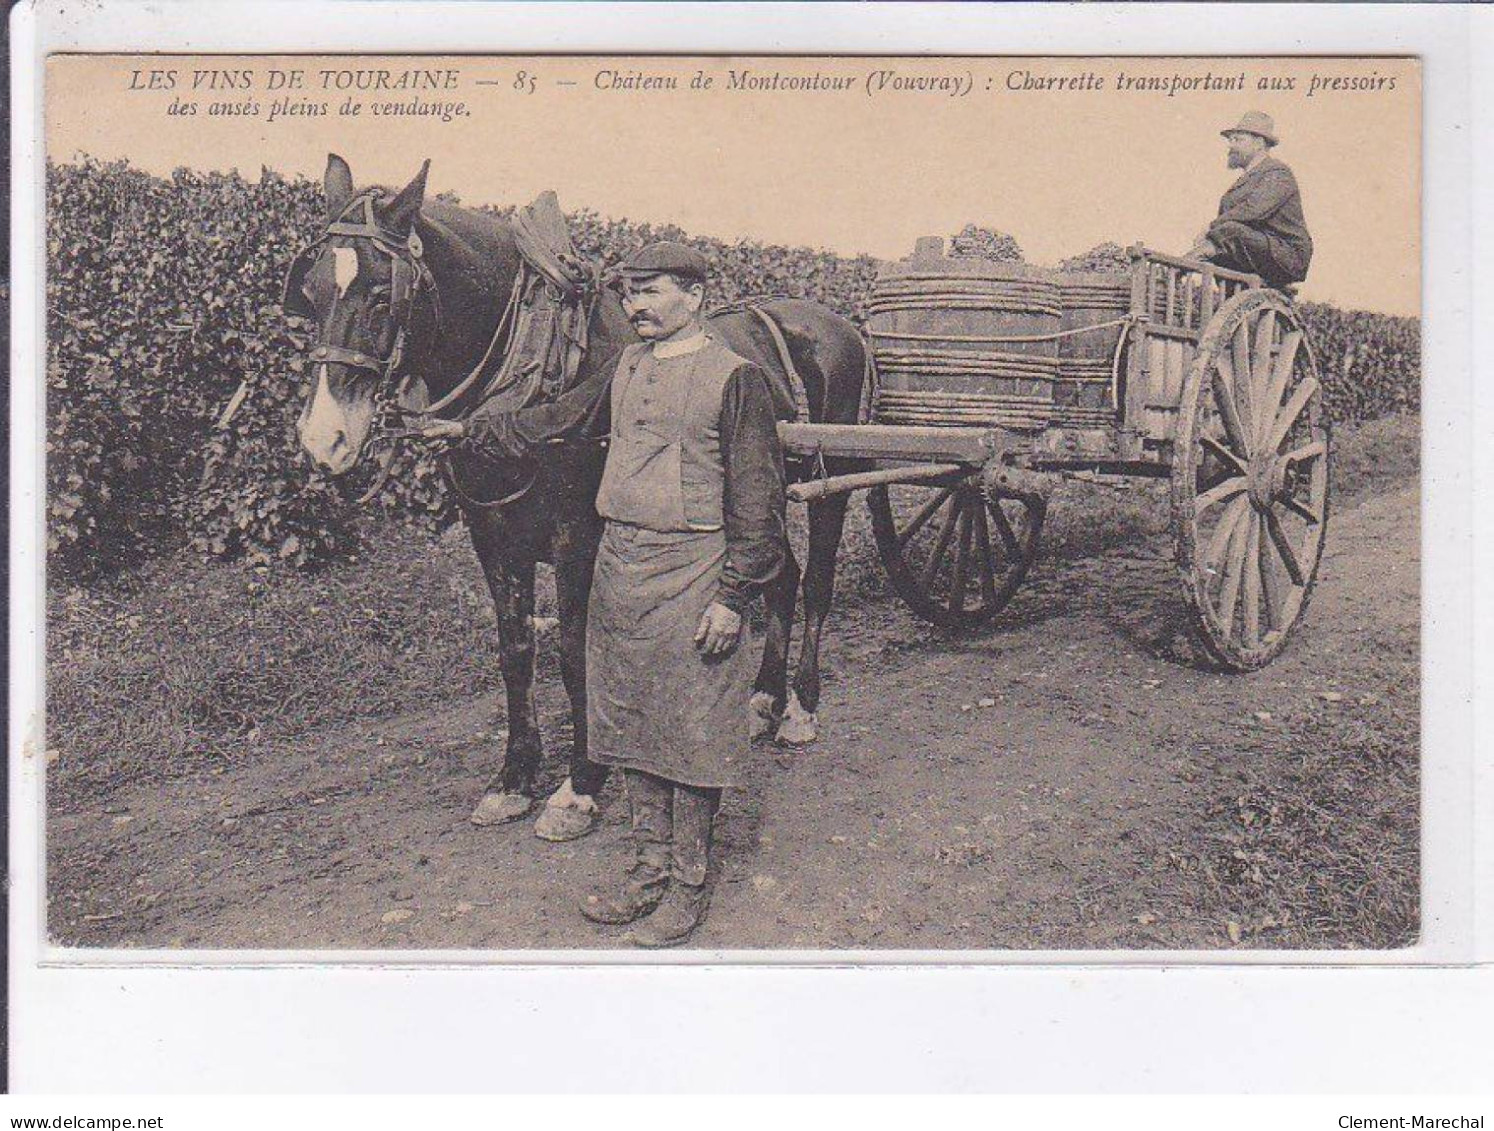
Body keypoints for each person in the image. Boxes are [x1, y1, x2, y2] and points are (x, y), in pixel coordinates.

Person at [431, 240, 788, 947]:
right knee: (630, 719)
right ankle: (646, 870)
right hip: (623, 565)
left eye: (651, 291)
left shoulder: (735, 379)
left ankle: (687, 883)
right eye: (629, 293)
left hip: (694, 568)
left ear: (694, 296)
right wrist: (472, 427)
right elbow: (556, 419)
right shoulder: (624, 365)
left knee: (690, 726)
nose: (635, 306)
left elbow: (759, 500)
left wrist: (734, 594)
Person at [1186, 112, 1313, 289]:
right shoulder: (1246, 180)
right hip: (1255, 251)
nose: (1230, 146)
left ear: (1259, 143)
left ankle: (1181, 269)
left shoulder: (1278, 173)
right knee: (1220, 252)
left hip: (1286, 255)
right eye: (1231, 140)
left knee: (1230, 231)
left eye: (1238, 140)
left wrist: (1210, 229)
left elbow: (1253, 210)